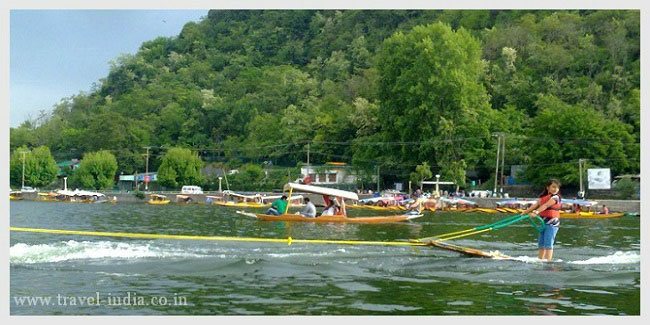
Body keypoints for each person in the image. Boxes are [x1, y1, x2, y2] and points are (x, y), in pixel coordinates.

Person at [521, 179, 562, 261]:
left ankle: (548, 261)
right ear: (548, 187)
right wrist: (524, 213)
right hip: (543, 222)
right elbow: (535, 205)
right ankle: (540, 259)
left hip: (552, 223)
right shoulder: (543, 198)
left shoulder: (556, 197)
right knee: (541, 243)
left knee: (548, 243)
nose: (555, 189)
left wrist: (535, 213)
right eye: (553, 187)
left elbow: (546, 206)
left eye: (557, 188)